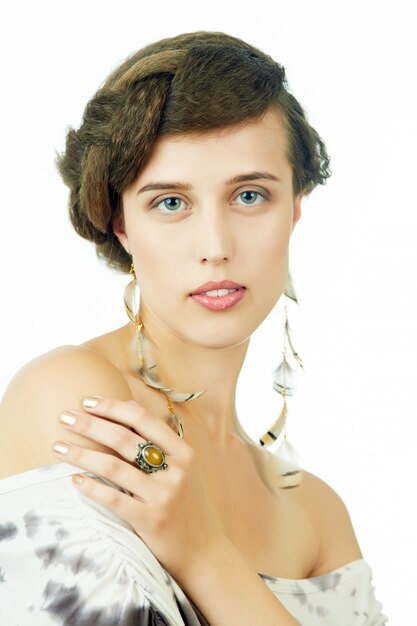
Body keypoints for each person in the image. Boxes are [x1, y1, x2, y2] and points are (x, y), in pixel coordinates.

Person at [0, 31, 388, 625]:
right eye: (171, 203)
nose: (216, 247)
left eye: (250, 195)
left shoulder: (317, 512)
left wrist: (204, 556)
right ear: (120, 222)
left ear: (295, 210)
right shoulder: (85, 408)